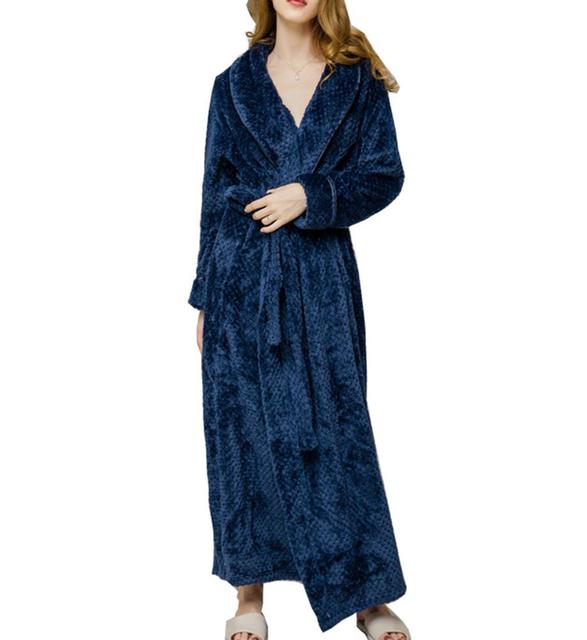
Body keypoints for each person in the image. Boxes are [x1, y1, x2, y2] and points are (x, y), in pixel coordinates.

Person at [188, 1, 411, 638]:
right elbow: (213, 195)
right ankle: (248, 598)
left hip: (320, 281)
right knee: (242, 432)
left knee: (340, 427)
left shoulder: (357, 79)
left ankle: (368, 596)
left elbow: (384, 174)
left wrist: (312, 196)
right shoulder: (232, 85)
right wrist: (205, 294)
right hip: (241, 279)